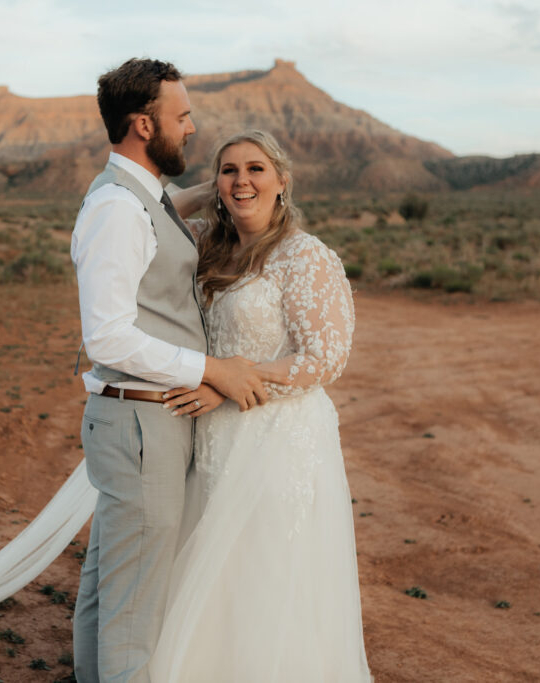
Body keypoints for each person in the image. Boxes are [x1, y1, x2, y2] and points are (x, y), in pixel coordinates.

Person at [70, 59, 288, 683]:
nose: (192, 128)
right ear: (144, 124)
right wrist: (211, 368)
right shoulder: (116, 209)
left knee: (108, 588)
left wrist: (226, 190)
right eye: (182, 115)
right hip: (141, 424)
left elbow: (168, 208)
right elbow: (107, 334)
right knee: (134, 609)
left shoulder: (138, 196)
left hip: (138, 420)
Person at [147, 130, 372, 682]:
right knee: (213, 567)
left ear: (282, 181)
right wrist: (212, 191)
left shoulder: (304, 255)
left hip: (278, 438)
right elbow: (144, 216)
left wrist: (224, 383)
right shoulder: (209, 244)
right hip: (214, 438)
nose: (242, 180)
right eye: (229, 170)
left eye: (256, 170)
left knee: (267, 568)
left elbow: (324, 358)